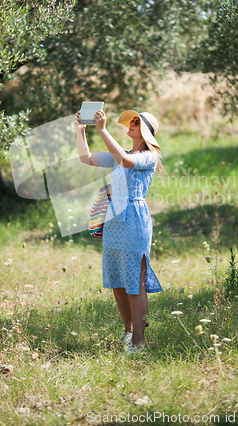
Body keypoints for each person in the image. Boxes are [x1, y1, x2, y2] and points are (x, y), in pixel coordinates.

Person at [74, 108, 164, 354]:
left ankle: (139, 342)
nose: (132, 124)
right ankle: (128, 332)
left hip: (134, 219)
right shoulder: (120, 153)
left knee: (135, 282)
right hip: (114, 221)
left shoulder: (149, 156)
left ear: (146, 130)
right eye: (132, 121)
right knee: (118, 281)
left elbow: (127, 163)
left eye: (137, 122)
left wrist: (102, 130)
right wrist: (80, 131)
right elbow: (87, 158)